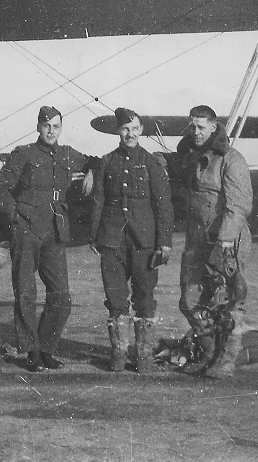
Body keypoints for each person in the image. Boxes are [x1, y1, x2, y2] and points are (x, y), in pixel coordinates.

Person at [0, 106, 94, 372]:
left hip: (54, 232)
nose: (51, 131)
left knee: (61, 295)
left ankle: (47, 348)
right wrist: (15, 218)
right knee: (26, 293)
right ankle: (31, 352)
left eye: (56, 126)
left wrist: (92, 171)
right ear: (38, 127)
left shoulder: (68, 155)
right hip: (25, 231)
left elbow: (95, 160)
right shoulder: (23, 154)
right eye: (47, 125)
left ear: (61, 129)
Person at [166, 104, 253, 379]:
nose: (196, 132)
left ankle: (226, 360)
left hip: (225, 242)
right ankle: (207, 353)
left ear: (215, 127)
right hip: (197, 241)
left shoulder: (232, 159)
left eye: (202, 127)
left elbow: (239, 205)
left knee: (228, 304)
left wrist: (225, 241)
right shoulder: (191, 156)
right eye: (192, 126)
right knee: (189, 301)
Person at [88, 108, 174, 372]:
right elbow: (99, 200)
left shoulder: (151, 163)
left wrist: (165, 241)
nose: (131, 134)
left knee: (145, 298)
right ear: (118, 131)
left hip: (143, 241)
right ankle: (119, 354)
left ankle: (144, 355)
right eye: (125, 129)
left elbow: (163, 204)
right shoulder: (107, 162)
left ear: (141, 131)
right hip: (113, 240)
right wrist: (94, 236)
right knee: (115, 300)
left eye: (135, 129)